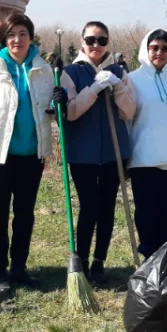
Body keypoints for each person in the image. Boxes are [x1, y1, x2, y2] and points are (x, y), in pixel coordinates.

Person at [0, 13, 54, 297]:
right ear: (4, 39)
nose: (17, 39)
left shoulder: (43, 69)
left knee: (25, 215)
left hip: (31, 155)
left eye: (23, 33)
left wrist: (58, 102)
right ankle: (0, 272)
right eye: (12, 34)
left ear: (31, 37)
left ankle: (19, 267)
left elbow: (49, 109)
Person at [55, 21, 137, 280]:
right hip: (82, 153)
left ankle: (99, 260)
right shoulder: (69, 73)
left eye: (102, 41)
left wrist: (117, 87)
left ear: (108, 43)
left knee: (107, 207)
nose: (96, 45)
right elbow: (71, 112)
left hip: (114, 151)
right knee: (89, 206)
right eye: (91, 40)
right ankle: (80, 259)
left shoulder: (118, 72)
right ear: (82, 42)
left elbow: (129, 111)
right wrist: (94, 89)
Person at [127, 29, 167, 260]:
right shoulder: (132, 79)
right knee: (145, 213)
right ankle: (148, 256)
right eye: (155, 47)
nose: (160, 52)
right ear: (146, 48)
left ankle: (164, 257)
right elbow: (126, 120)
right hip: (142, 157)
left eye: (166, 48)